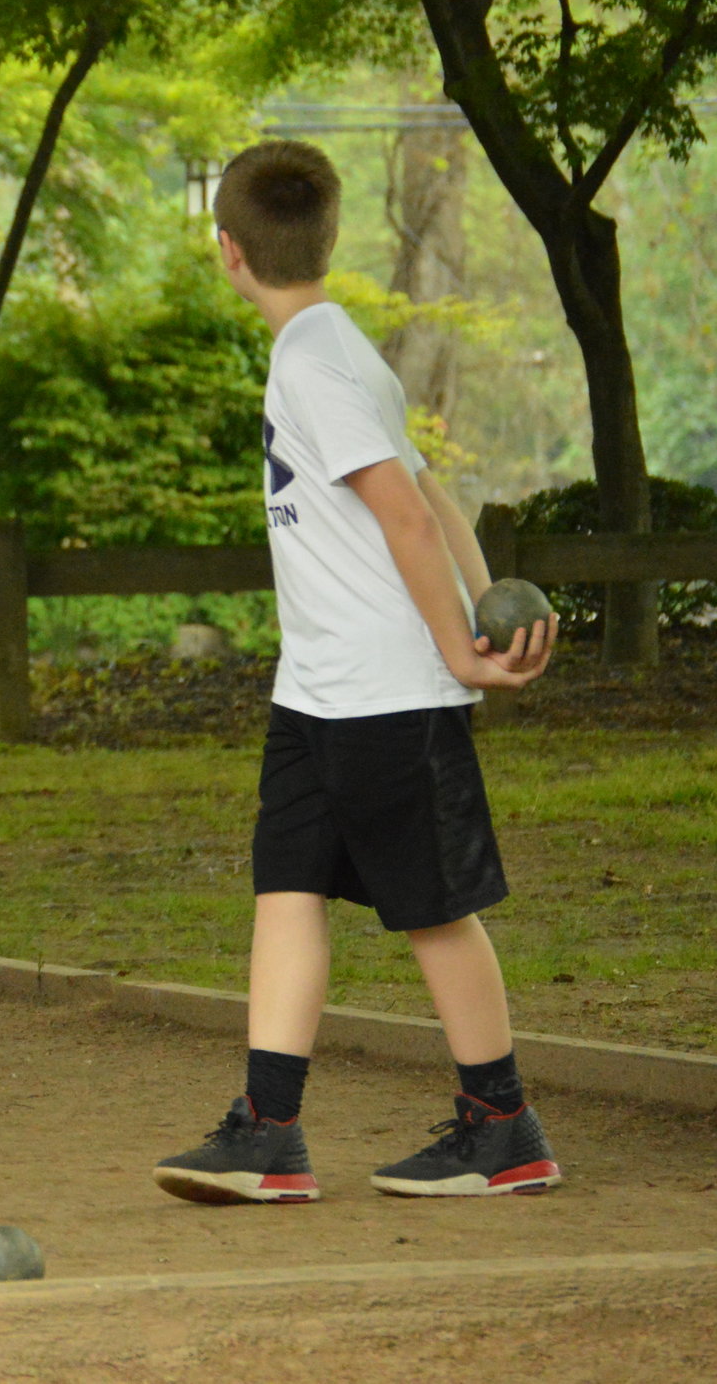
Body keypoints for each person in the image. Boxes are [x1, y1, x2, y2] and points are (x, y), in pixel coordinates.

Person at [154, 140, 561, 1205]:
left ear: (227, 251)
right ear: (328, 240)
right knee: (283, 889)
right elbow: (435, 498)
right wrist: (484, 609)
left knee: (432, 909)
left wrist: (456, 650)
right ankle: (267, 1133)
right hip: (316, 693)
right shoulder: (336, 348)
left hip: (387, 690)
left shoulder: (314, 362)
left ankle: (500, 1124)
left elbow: (402, 515)